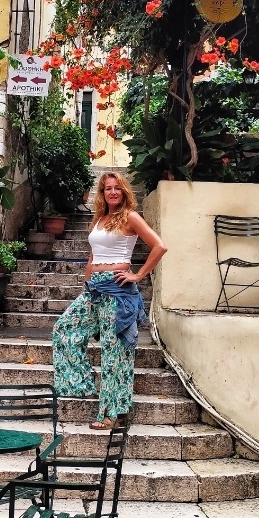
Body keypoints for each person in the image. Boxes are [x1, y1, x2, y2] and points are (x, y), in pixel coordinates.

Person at [52, 171, 167, 430]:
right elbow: (92, 257)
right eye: (107, 188)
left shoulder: (130, 217)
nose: (112, 192)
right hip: (95, 289)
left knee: (113, 354)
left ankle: (111, 413)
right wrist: (87, 287)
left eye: (117, 188)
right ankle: (82, 385)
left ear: (124, 191)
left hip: (117, 290)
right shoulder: (99, 218)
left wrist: (138, 275)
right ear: (102, 193)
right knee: (64, 329)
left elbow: (159, 246)